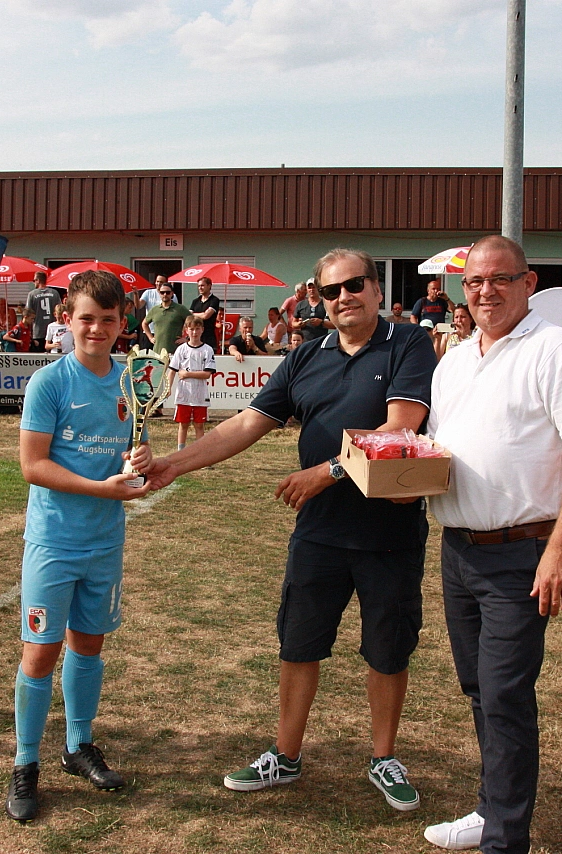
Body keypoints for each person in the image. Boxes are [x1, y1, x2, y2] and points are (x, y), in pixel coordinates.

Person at [146, 248, 437, 812]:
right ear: (318, 299)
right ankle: (285, 754)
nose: (344, 297)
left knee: (388, 649)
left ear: (377, 289)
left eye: (355, 285)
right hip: (319, 532)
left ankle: (383, 757)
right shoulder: (305, 356)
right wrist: (173, 465)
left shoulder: (407, 343)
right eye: (331, 291)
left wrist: (325, 473)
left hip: (390, 530)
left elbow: (400, 429)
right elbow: (246, 423)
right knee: (298, 644)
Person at [423, 235, 562, 853]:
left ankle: (505, 839)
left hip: (521, 553)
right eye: (475, 282)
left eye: (500, 279)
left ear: (528, 283)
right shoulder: (454, 361)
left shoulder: (555, 347)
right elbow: (444, 448)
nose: (486, 292)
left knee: (504, 693)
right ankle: (491, 809)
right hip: (460, 549)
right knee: (480, 688)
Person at [5, 270, 152, 823]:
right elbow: (32, 465)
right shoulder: (49, 382)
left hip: (104, 542)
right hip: (54, 542)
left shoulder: (131, 383)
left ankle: (77, 745)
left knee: (89, 646)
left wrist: (138, 462)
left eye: (107, 319)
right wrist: (101, 489)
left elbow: (132, 450)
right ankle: (25, 762)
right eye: (86, 318)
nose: (96, 329)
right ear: (66, 319)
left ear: (122, 323)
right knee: (40, 653)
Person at [169, 315, 216, 450]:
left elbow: (207, 374)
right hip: (184, 393)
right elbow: (172, 371)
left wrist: (187, 374)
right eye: (191, 329)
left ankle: (199, 453)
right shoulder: (181, 349)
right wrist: (168, 388)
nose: (194, 332)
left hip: (200, 394)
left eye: (197, 329)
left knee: (199, 425)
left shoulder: (207, 350)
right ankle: (181, 451)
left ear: (202, 330)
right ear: (186, 330)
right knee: (183, 424)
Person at [141, 283, 190, 355]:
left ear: (172, 293)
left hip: (175, 352)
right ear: (159, 293)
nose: (165, 294)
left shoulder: (180, 309)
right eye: (162, 292)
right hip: (157, 351)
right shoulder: (155, 310)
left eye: (168, 292)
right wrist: (150, 337)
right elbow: (144, 323)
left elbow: (193, 322)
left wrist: (186, 338)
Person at [26, 271, 59, 353]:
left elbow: (28, 313)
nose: (33, 282)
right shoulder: (54, 293)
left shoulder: (32, 294)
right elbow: (60, 310)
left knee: (38, 357)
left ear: (38, 280)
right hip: (53, 330)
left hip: (38, 331)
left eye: (34, 280)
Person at [189, 276, 222, 353]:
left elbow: (206, 316)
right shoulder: (195, 301)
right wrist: (200, 314)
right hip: (195, 336)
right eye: (199, 286)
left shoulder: (214, 300)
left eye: (202, 285)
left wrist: (193, 314)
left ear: (209, 286)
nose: (200, 288)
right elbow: (189, 316)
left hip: (208, 336)